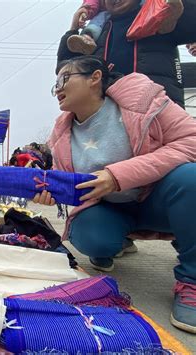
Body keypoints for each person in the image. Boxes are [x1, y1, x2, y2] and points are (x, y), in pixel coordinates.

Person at [33, 55, 196, 333]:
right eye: (54, 84)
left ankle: (191, 280)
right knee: (87, 236)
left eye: (64, 78)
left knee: (190, 178)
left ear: (95, 78)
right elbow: (76, 188)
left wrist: (117, 175)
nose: (57, 88)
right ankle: (117, 241)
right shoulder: (60, 136)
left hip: (158, 197)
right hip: (113, 209)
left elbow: (190, 142)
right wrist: (54, 195)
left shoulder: (144, 102)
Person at [57, 0, 196, 108]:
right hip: (107, 118)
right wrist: (73, 29)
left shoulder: (158, 16)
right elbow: (66, 71)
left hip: (159, 113)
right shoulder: (95, 34)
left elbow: (191, 24)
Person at [66, 0, 184, 55]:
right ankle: (87, 38)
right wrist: (86, 9)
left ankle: (165, 18)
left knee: (152, 7)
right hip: (105, 12)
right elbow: (92, 1)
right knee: (97, 21)